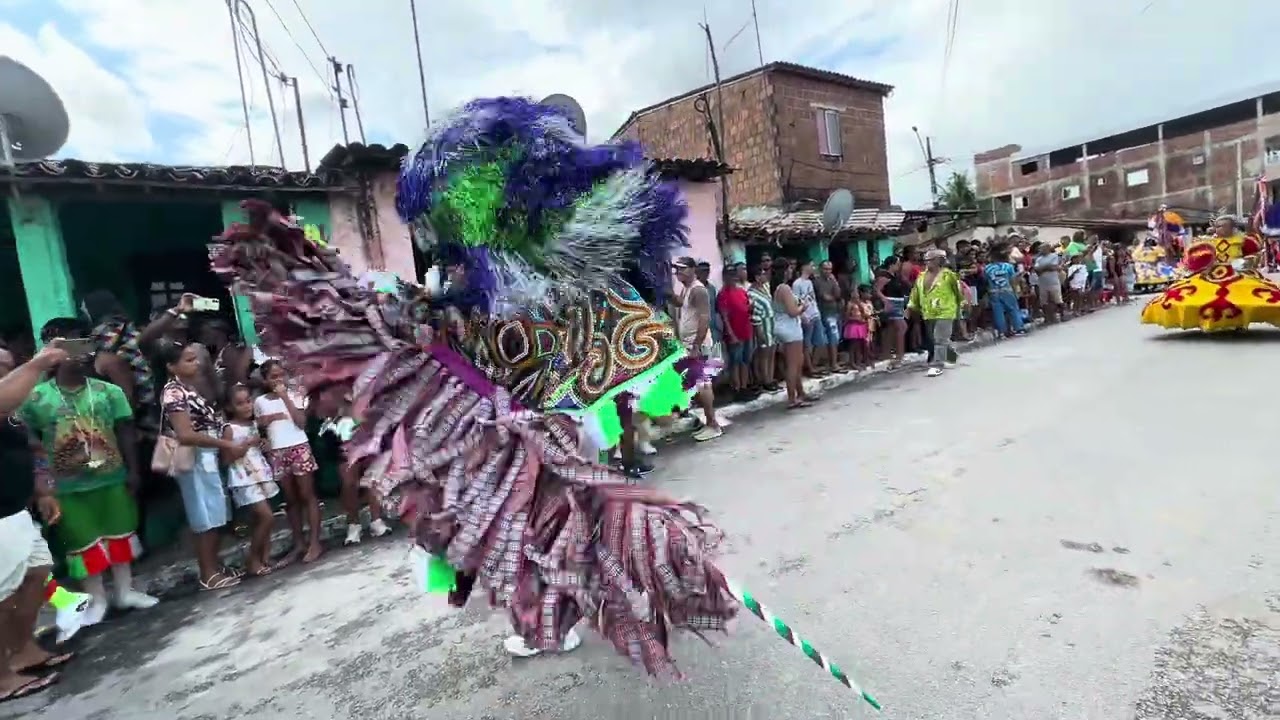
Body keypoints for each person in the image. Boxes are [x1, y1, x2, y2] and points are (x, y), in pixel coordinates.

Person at [19, 319, 158, 622]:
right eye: (74, 344)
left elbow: (125, 431)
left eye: (87, 343)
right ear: (53, 347)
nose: (83, 352)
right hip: (66, 488)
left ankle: (124, 591)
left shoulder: (108, 392)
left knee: (120, 535)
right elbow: (30, 444)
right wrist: (41, 483)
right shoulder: (36, 398)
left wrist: (134, 471)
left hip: (112, 478)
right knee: (82, 544)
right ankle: (96, 600)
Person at [159, 341, 245, 591]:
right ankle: (207, 572)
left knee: (215, 514)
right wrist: (225, 444)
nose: (196, 363)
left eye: (194, 359)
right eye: (188, 360)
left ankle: (214, 566)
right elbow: (185, 434)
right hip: (193, 457)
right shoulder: (173, 393)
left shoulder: (189, 389)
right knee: (203, 517)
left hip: (206, 456)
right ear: (171, 366)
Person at [1140, 211, 1280, 332]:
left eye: (1222, 226)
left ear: (1232, 227)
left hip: (1237, 272)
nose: (1218, 229)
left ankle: (1239, 322)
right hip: (1211, 273)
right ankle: (1208, 321)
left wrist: (1247, 262)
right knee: (1201, 297)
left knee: (1244, 297)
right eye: (1217, 226)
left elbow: (1254, 255)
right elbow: (1193, 258)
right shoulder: (1207, 242)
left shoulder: (1243, 241)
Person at [255, 360, 324, 563]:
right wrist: (264, 428)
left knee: (307, 494)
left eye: (280, 375)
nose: (278, 380)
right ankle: (299, 543)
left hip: (298, 447)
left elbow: (301, 423)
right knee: (291, 499)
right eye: (273, 377)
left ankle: (315, 542)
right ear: (265, 380)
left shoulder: (295, 395)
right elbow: (259, 427)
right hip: (277, 452)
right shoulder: (260, 402)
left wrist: (285, 397)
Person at [221, 384, 278, 576]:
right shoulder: (230, 429)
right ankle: (252, 560)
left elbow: (259, 449)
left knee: (260, 520)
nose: (246, 406)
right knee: (266, 516)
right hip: (243, 478)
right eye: (240, 404)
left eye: (248, 401)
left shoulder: (252, 425)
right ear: (230, 408)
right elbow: (226, 459)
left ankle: (264, 556)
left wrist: (263, 444)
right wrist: (244, 446)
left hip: (260, 474)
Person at [672, 257, 724, 442]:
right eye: (676, 269)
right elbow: (681, 303)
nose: (678, 272)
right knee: (699, 384)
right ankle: (709, 422)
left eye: (682, 269)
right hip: (689, 344)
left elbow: (704, 318)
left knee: (703, 385)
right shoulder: (687, 288)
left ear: (693, 269)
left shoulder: (699, 290)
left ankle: (713, 424)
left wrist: (695, 346)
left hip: (698, 345)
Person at [908, 249, 966, 377]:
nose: (927, 262)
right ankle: (951, 356)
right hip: (928, 312)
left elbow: (958, 292)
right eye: (926, 260)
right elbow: (915, 293)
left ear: (938, 260)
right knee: (936, 338)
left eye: (930, 260)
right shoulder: (921, 276)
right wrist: (911, 307)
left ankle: (937, 365)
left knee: (940, 338)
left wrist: (960, 306)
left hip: (946, 310)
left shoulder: (949, 275)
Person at [772, 262, 811, 408]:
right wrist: (803, 307)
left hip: (783, 327)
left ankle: (800, 393)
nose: (791, 271)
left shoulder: (776, 288)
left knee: (796, 362)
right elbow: (792, 311)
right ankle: (792, 398)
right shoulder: (784, 288)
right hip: (790, 328)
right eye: (788, 268)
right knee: (793, 365)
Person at [716, 263, 755, 401]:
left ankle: (744, 387)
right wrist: (732, 335)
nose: (732, 278)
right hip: (734, 333)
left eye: (734, 275)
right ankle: (737, 388)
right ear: (724, 277)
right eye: (729, 275)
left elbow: (746, 309)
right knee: (735, 362)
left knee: (745, 361)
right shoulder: (723, 294)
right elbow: (724, 317)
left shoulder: (741, 291)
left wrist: (750, 308)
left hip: (746, 330)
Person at [746, 264, 778, 392]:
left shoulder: (764, 288)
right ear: (757, 277)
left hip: (770, 323)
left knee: (771, 352)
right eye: (762, 274)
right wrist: (759, 332)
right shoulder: (751, 293)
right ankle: (765, 379)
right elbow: (754, 315)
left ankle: (770, 378)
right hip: (762, 325)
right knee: (763, 354)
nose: (765, 275)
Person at [791, 260, 825, 377]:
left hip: (815, 313)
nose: (814, 268)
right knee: (807, 343)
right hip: (806, 316)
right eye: (812, 265)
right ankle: (809, 368)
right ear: (804, 267)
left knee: (820, 341)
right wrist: (803, 316)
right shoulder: (797, 284)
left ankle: (813, 365)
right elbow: (796, 301)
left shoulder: (809, 282)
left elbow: (813, 298)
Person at [984, 245, 1026, 338]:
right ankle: (1018, 328)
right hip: (1007, 290)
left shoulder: (987, 268)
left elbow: (985, 280)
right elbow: (1012, 279)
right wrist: (1016, 291)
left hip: (993, 292)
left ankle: (1002, 332)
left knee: (998, 312)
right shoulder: (1008, 266)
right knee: (1013, 309)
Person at [874, 256, 909, 367]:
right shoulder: (884, 276)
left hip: (898, 303)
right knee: (901, 328)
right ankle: (899, 356)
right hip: (891, 303)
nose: (899, 266)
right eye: (897, 264)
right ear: (891, 265)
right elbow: (877, 290)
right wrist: (885, 301)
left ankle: (888, 353)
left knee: (892, 329)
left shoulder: (895, 276)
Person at [813, 260, 844, 372]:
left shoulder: (832, 280)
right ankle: (831, 364)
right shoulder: (817, 281)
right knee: (828, 338)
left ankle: (833, 363)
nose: (828, 271)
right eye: (825, 269)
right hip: (824, 312)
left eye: (829, 269)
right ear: (820, 269)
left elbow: (837, 294)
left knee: (834, 339)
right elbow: (824, 296)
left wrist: (834, 282)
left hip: (834, 312)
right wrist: (834, 298)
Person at [1033, 242, 1065, 324]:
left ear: (1047, 248)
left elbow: (1053, 266)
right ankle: (1047, 317)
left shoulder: (1054, 256)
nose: (1040, 250)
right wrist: (1046, 267)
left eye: (1042, 248)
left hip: (1053, 280)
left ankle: (1062, 315)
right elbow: (1036, 269)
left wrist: (1043, 268)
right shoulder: (1039, 259)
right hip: (1043, 282)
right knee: (1044, 301)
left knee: (1057, 299)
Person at [842, 289, 870, 370]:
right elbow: (847, 316)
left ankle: (858, 362)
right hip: (853, 325)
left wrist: (860, 306)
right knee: (853, 345)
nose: (856, 296)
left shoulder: (860, 304)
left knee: (859, 345)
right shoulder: (850, 304)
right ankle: (852, 362)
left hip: (860, 325)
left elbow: (863, 314)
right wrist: (855, 319)